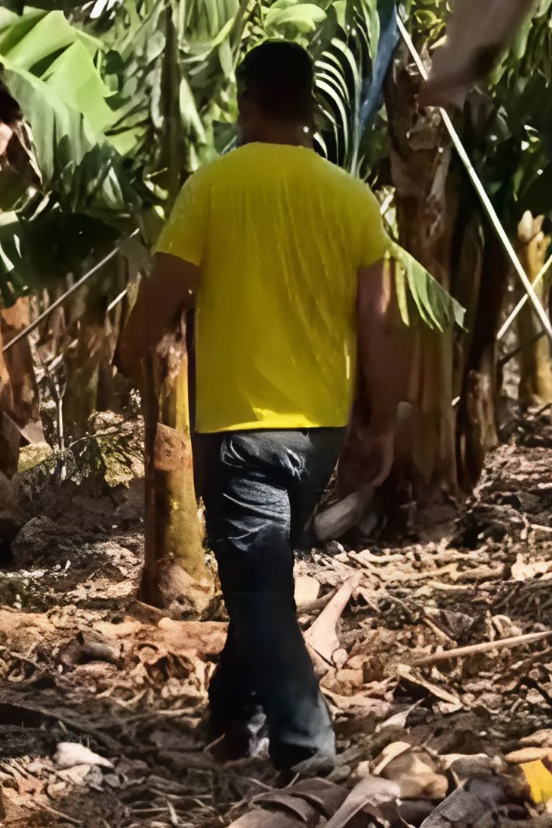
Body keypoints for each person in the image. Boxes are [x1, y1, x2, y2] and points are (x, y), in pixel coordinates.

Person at [117, 41, 398, 778]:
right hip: (319, 430)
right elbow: (379, 324)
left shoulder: (214, 186)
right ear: (311, 108)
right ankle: (230, 712)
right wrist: (384, 422)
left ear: (247, 102)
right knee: (262, 575)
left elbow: (160, 299)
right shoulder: (353, 199)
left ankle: (307, 746)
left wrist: (128, 350)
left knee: (262, 583)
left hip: (239, 428)